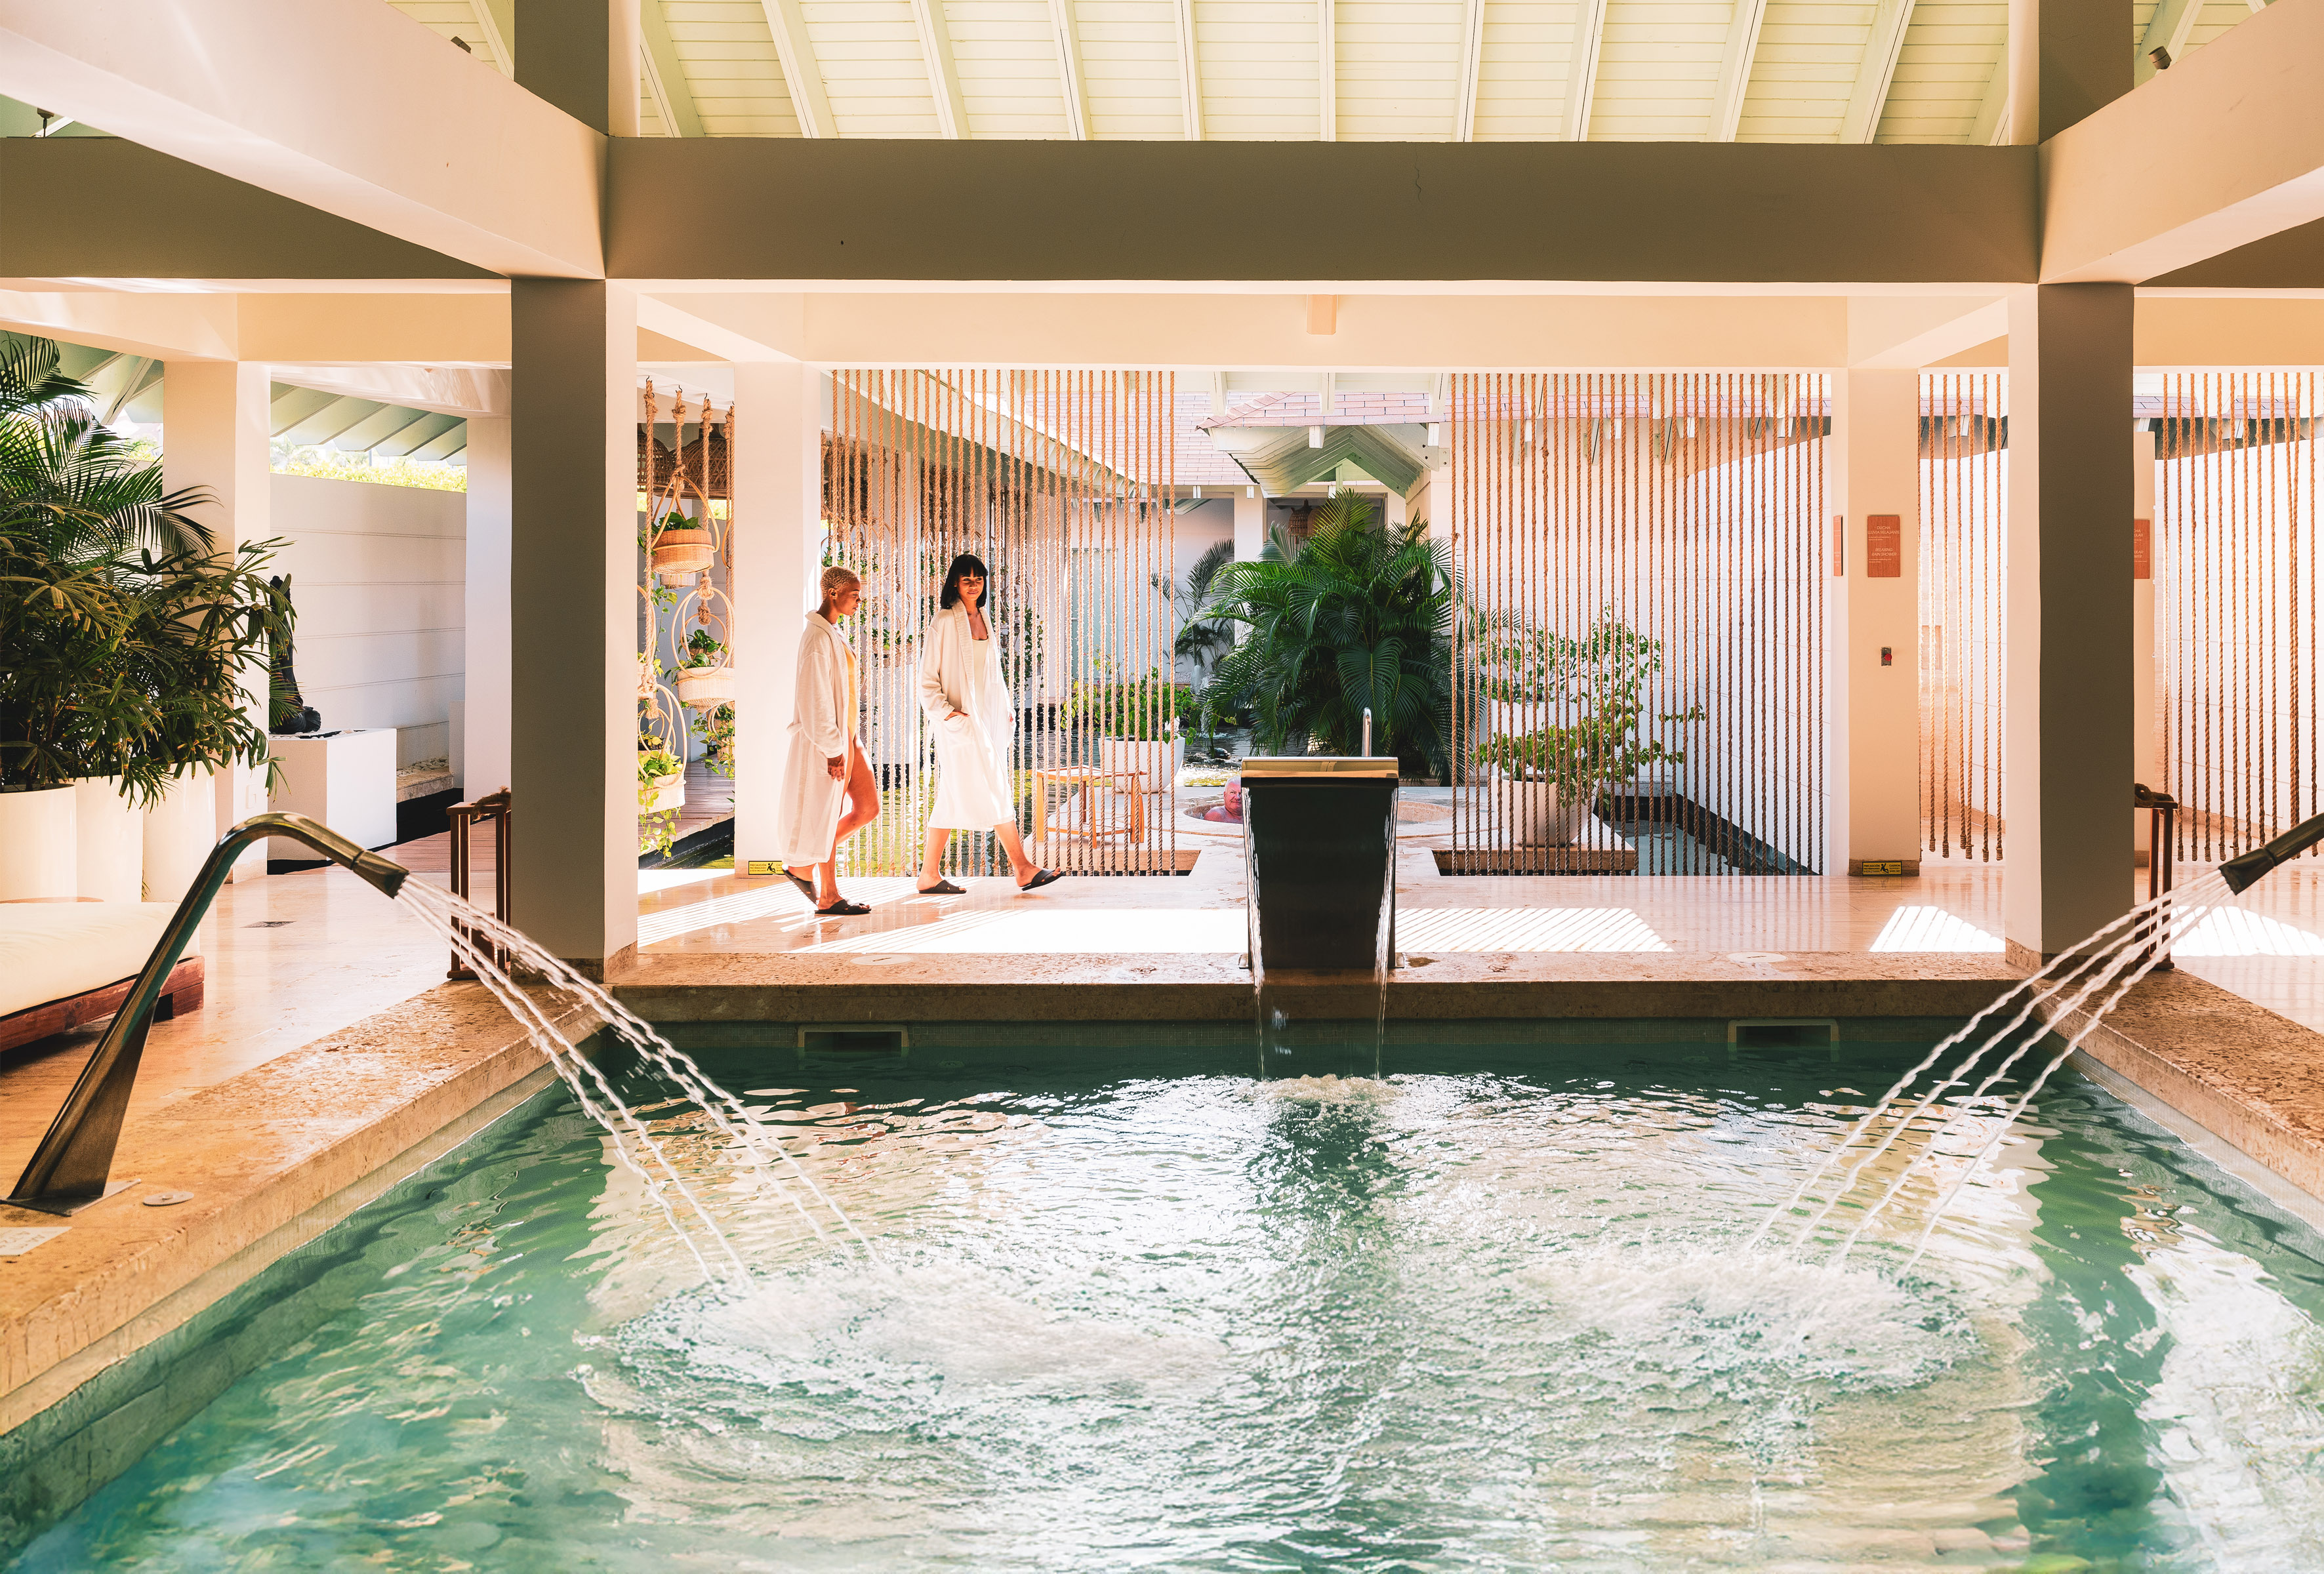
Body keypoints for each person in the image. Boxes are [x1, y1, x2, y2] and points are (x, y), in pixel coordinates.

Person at [916, 553, 1061, 896]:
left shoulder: (984, 618)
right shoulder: (944, 622)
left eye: (978, 578)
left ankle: (928, 875)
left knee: (951, 795)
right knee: (994, 785)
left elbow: (991, 673)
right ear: (954, 582)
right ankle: (1023, 868)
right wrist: (949, 713)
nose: (973, 584)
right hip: (961, 723)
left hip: (985, 718)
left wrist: (1005, 707)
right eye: (966, 579)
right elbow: (926, 680)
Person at [775, 566, 880, 916]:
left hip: (848, 737)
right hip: (830, 745)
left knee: (868, 809)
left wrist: (849, 741)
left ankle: (805, 864)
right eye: (854, 594)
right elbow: (815, 701)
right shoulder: (817, 639)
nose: (858, 601)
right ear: (833, 593)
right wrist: (833, 751)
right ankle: (828, 895)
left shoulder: (831, 633)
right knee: (827, 812)